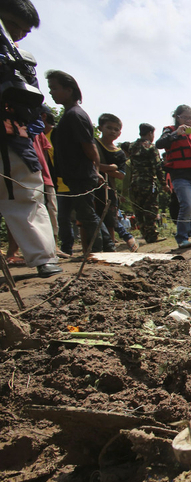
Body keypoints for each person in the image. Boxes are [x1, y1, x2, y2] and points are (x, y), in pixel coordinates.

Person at [0, 0, 60, 278]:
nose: (19, 33)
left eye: (25, 30)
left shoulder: (19, 60)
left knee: (27, 194)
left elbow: (34, 107)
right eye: (14, 25)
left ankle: (43, 258)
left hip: (14, 137)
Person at [48, 70, 117, 256]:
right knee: (87, 213)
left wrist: (95, 170)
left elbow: (89, 146)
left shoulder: (75, 115)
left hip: (81, 173)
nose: (51, 93)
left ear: (69, 90)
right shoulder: (69, 115)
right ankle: (107, 247)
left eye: (54, 88)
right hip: (75, 173)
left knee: (86, 214)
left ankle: (99, 251)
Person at [155, 105, 191, 248]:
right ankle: (182, 237)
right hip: (180, 175)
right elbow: (159, 144)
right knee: (187, 205)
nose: (188, 120)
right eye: (185, 117)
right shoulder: (169, 130)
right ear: (177, 117)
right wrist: (176, 133)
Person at [94, 113, 137, 252]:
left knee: (111, 219)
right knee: (90, 218)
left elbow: (120, 175)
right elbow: (88, 164)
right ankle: (92, 249)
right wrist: (109, 168)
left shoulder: (119, 154)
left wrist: (101, 168)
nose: (113, 131)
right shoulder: (93, 145)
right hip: (92, 188)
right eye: (109, 128)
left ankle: (110, 248)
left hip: (109, 189)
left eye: (116, 129)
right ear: (100, 127)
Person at [128, 123, 165, 243]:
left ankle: (144, 233)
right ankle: (152, 236)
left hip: (134, 182)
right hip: (148, 182)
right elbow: (157, 166)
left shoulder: (131, 146)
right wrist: (163, 183)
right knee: (150, 209)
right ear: (150, 133)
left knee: (139, 209)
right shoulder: (150, 147)